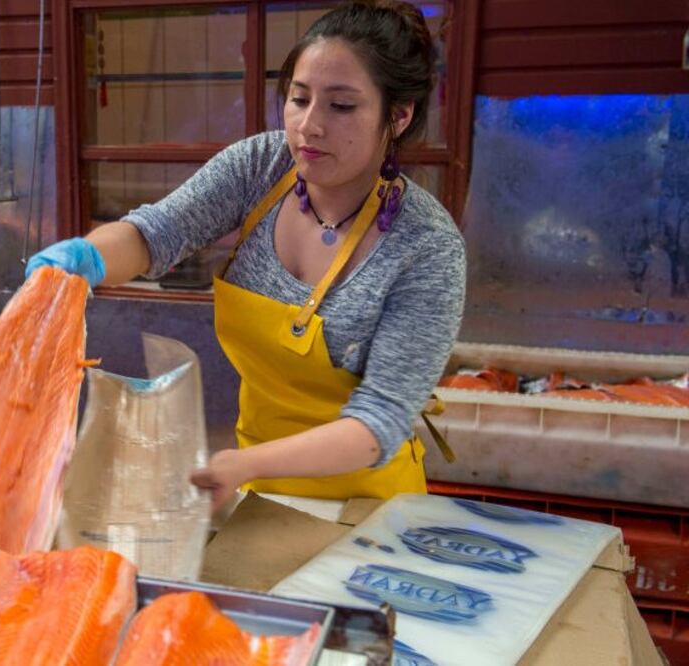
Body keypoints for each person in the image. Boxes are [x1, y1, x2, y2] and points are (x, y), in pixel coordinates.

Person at [26, 0, 465, 510]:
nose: (309, 126)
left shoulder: (427, 247)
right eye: (299, 99)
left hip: (368, 510)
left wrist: (247, 464)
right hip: (256, 498)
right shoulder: (262, 166)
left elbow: (380, 421)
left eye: (341, 106)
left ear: (399, 115)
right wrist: (83, 260)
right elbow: (157, 234)